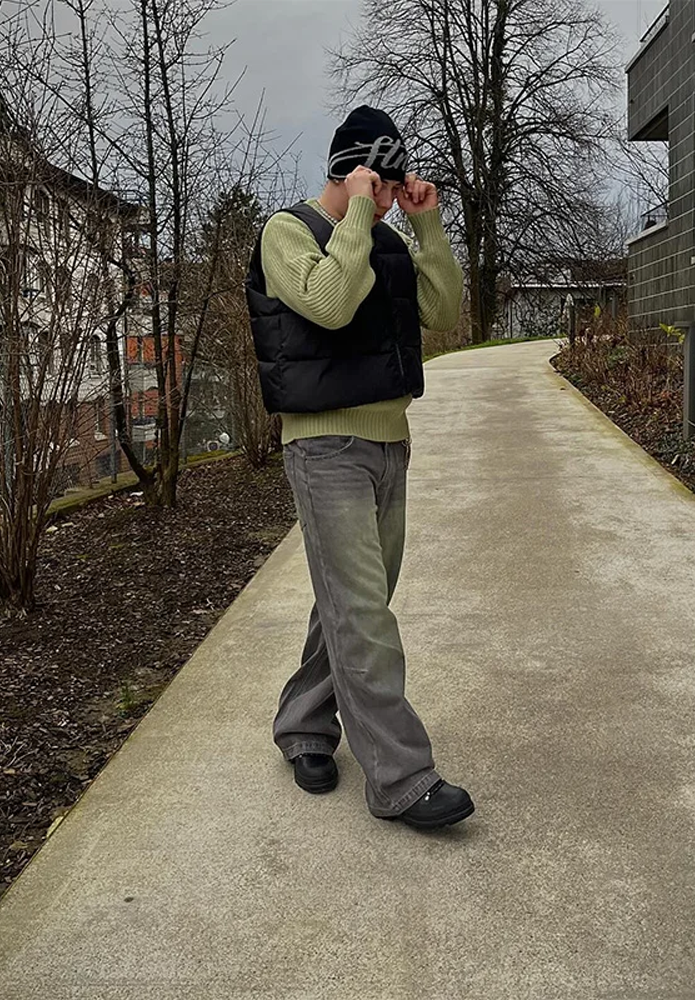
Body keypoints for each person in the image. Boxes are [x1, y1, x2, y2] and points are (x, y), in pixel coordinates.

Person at [245, 105, 474, 830]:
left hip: (388, 440)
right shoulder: (288, 232)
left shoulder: (388, 239)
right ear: (348, 172)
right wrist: (356, 217)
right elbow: (330, 304)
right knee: (365, 612)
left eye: (391, 186)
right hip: (322, 449)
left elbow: (444, 312)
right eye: (377, 184)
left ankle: (305, 725)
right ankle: (401, 779)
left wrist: (427, 224)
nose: (384, 201)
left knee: (351, 602)